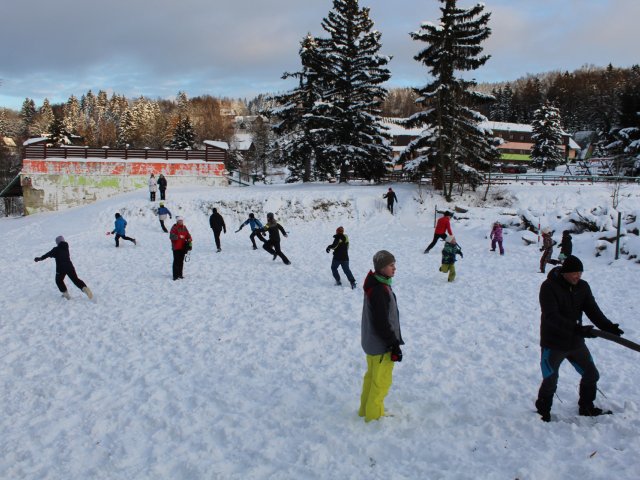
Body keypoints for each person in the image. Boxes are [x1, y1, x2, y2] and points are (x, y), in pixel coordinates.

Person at [535, 255, 625, 422]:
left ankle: (586, 407)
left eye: (580, 273)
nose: (578, 276)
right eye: (575, 273)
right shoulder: (548, 287)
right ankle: (542, 411)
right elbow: (551, 316)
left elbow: (592, 309)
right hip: (554, 343)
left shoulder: (582, 287)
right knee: (550, 380)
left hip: (575, 342)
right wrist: (577, 329)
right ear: (564, 273)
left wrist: (608, 327)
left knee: (591, 374)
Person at [358, 250, 404, 423]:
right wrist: (393, 344)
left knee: (371, 379)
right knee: (381, 382)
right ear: (382, 267)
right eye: (391, 265)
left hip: (372, 344)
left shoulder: (377, 284)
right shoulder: (379, 290)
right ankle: (374, 417)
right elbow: (381, 323)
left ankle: (365, 410)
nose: (395, 268)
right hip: (381, 346)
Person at [34, 235, 93, 300]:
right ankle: (86, 290)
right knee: (76, 280)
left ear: (57, 242)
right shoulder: (66, 248)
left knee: (58, 280)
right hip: (70, 267)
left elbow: (47, 254)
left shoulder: (55, 249)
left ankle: (66, 295)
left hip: (61, 268)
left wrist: (40, 258)